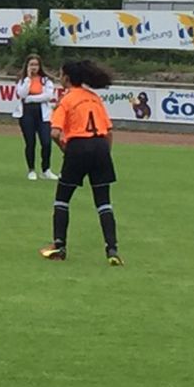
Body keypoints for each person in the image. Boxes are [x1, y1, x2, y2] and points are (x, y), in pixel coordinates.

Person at [39, 60, 124, 266]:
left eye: (60, 74)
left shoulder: (66, 100)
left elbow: (55, 132)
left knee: (62, 199)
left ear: (67, 78)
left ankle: (59, 246)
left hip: (78, 147)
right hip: (101, 148)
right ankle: (112, 250)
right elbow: (109, 131)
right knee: (103, 202)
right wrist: (105, 154)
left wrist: (66, 150)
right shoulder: (94, 98)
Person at [11, 54, 58, 181]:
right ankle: (31, 169)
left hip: (42, 113)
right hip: (27, 113)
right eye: (31, 65)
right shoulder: (22, 80)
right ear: (27, 66)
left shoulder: (45, 80)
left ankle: (46, 169)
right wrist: (28, 79)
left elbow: (48, 96)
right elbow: (22, 94)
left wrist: (31, 98)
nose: (34, 67)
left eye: (36, 65)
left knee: (46, 142)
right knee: (30, 143)